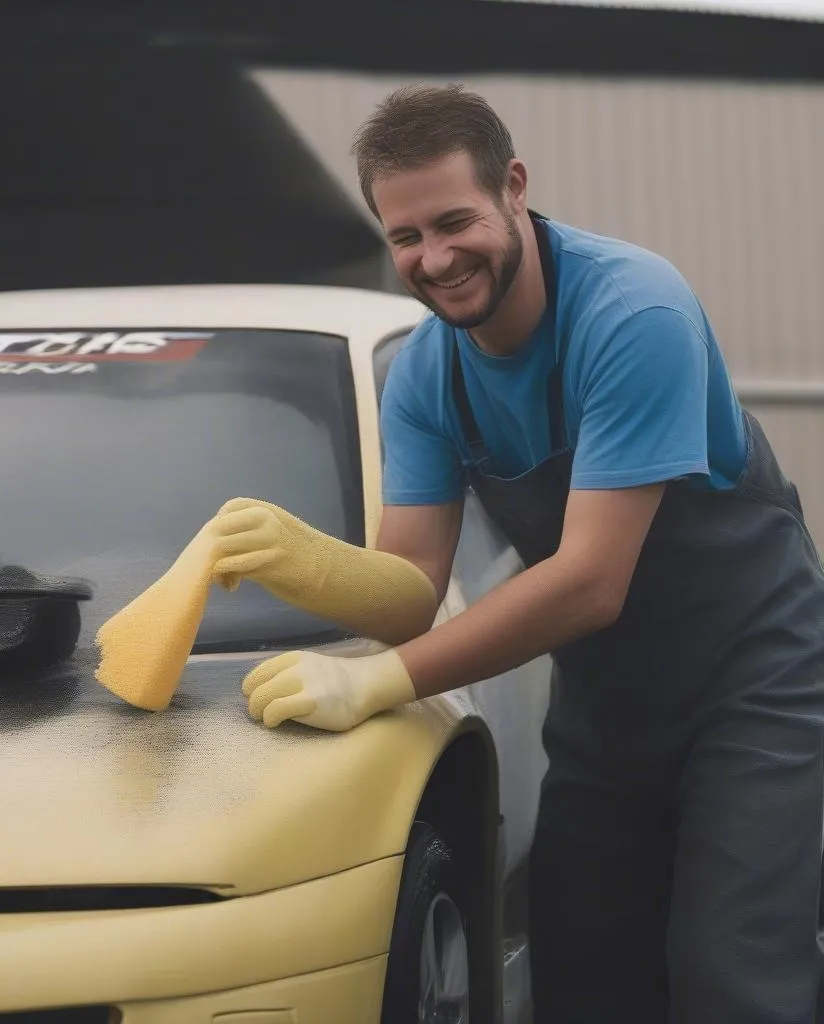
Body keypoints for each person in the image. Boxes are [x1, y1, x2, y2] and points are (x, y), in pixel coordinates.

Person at [204, 84, 824, 1022]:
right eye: (406, 236)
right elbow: (412, 584)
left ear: (515, 189)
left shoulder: (632, 312)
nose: (436, 258)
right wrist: (308, 562)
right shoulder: (426, 373)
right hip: (608, 712)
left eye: (455, 221)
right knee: (582, 978)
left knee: (731, 973)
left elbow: (588, 582)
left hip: (756, 686)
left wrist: (379, 682)